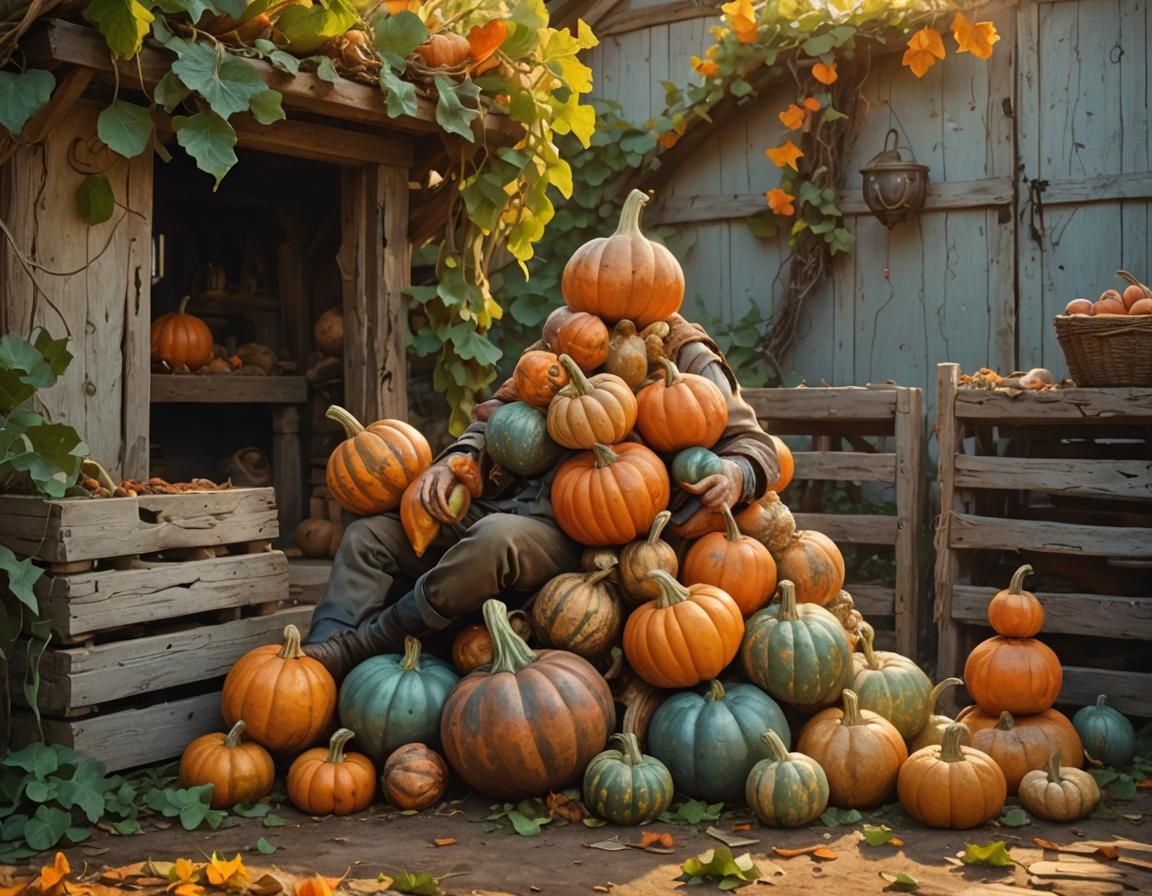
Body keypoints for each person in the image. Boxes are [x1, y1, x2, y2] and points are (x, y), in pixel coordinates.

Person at [303, 312, 780, 681]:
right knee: (370, 536)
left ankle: (362, 646)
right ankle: (314, 668)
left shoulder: (686, 352)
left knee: (493, 542)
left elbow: (756, 445)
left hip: (581, 531)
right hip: (496, 500)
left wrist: (738, 474)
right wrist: (457, 459)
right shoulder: (567, 336)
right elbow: (495, 417)